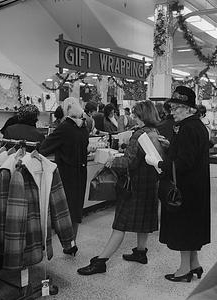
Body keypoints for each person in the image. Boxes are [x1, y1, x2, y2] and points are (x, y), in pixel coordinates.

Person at [77, 100, 164, 276]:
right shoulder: (154, 132)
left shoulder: (139, 134)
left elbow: (129, 162)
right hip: (149, 184)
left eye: (136, 114)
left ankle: (101, 261)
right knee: (144, 221)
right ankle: (141, 252)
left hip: (134, 186)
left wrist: (111, 161)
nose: (133, 117)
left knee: (120, 224)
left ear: (142, 116)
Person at [145, 86, 210, 282]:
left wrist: (158, 163)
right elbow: (189, 153)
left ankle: (184, 270)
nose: (171, 112)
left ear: (188, 108)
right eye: (171, 108)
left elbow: (183, 163)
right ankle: (194, 264)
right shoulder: (196, 125)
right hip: (196, 187)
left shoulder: (187, 128)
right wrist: (171, 146)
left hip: (185, 188)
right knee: (192, 226)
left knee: (184, 227)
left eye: (176, 108)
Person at [39, 97, 89, 256]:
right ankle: (72, 243)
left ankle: (68, 244)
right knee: (76, 209)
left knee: (64, 210)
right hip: (81, 172)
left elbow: (44, 148)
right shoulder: (83, 127)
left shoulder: (64, 127)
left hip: (66, 173)